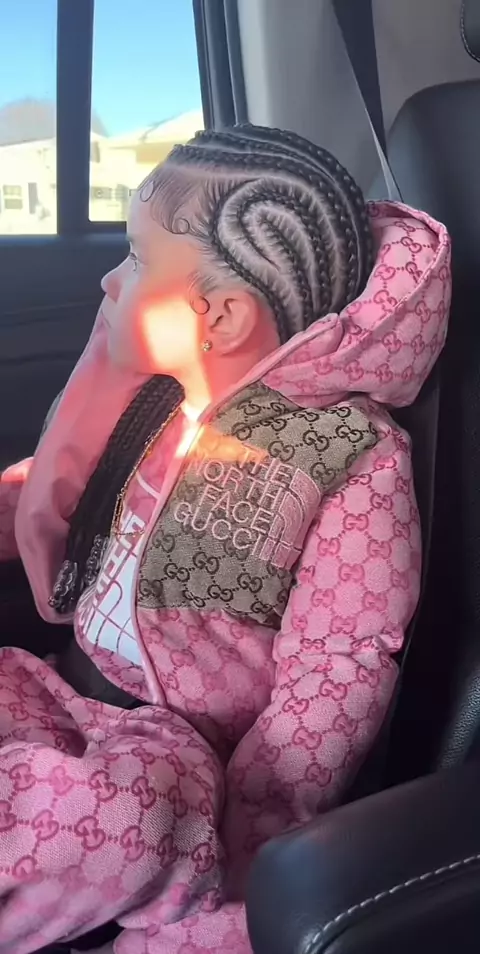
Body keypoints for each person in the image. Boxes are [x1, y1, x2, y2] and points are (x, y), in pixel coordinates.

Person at [0, 124, 450, 954]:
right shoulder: (160, 403)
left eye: (136, 259)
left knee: (117, 819)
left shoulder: (348, 456)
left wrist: (258, 834)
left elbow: (340, 666)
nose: (109, 279)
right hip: (64, 689)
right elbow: (78, 488)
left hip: (178, 760)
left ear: (222, 316)